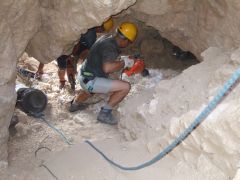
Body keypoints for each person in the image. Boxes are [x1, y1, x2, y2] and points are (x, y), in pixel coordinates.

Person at [69, 22, 138, 125]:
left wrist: (123, 60)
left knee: (91, 90)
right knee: (126, 87)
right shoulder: (111, 48)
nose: (128, 44)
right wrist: (124, 62)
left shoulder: (107, 38)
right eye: (129, 42)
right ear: (125, 40)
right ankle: (105, 113)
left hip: (83, 75)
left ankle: (75, 104)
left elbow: (105, 58)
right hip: (90, 81)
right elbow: (107, 68)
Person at [36, 17, 114, 90]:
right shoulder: (92, 35)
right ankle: (68, 82)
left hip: (67, 46)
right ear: (100, 26)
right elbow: (87, 48)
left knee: (62, 66)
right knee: (67, 66)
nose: (101, 31)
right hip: (72, 49)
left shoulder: (87, 25)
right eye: (103, 30)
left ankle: (62, 82)